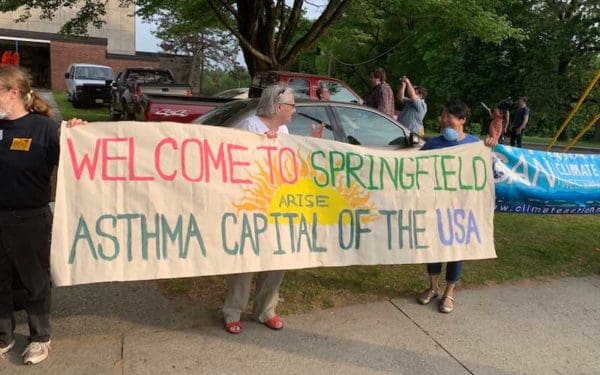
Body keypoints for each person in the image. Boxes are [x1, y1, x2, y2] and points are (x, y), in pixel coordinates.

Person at [0, 66, 85, 365]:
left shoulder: (44, 128)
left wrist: (78, 134)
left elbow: (78, 162)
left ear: (13, 93)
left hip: (30, 219)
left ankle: (39, 338)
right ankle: (4, 335)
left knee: (35, 281)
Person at [223, 83, 322, 335]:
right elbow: (236, 162)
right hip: (251, 205)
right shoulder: (249, 126)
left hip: (279, 205)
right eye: (292, 106)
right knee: (245, 259)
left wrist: (313, 145)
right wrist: (260, 147)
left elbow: (289, 164)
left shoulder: (285, 129)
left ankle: (266, 309)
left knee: (277, 256)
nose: (294, 111)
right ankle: (233, 311)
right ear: (278, 106)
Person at [416, 101, 480, 313]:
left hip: (461, 208)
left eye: (449, 117)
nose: (444, 121)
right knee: (434, 247)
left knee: (455, 249)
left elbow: (484, 171)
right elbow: (414, 167)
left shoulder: (474, 145)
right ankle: (433, 288)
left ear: (462, 120)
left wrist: (489, 147)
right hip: (435, 205)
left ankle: (449, 293)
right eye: (442, 116)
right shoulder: (433, 144)